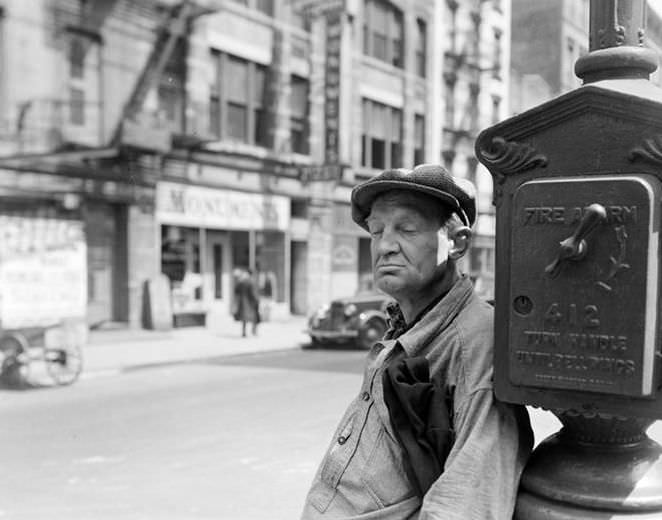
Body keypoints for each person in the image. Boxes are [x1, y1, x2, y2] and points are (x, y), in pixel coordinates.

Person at [300, 164, 533, 519]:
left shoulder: (477, 343)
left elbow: (466, 504)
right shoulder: (407, 323)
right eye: (376, 231)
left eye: (406, 229)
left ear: (457, 243)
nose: (385, 246)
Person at [232, 268, 260, 337]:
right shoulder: (250, 282)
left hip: (242, 302)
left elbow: (236, 291)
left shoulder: (241, 281)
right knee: (254, 316)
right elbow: (252, 292)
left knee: (244, 318)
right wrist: (256, 300)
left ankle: (244, 332)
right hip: (250, 302)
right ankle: (254, 330)